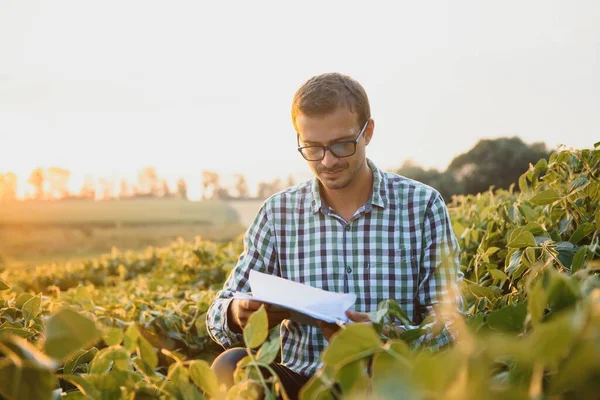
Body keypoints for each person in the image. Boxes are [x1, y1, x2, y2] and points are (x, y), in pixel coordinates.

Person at [206, 72, 463, 399]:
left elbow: (452, 323)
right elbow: (217, 315)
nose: (327, 161)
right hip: (307, 384)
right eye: (313, 148)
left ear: (367, 132)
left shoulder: (422, 205)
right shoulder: (278, 213)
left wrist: (383, 337)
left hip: (391, 384)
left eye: (342, 145)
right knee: (232, 365)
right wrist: (238, 312)